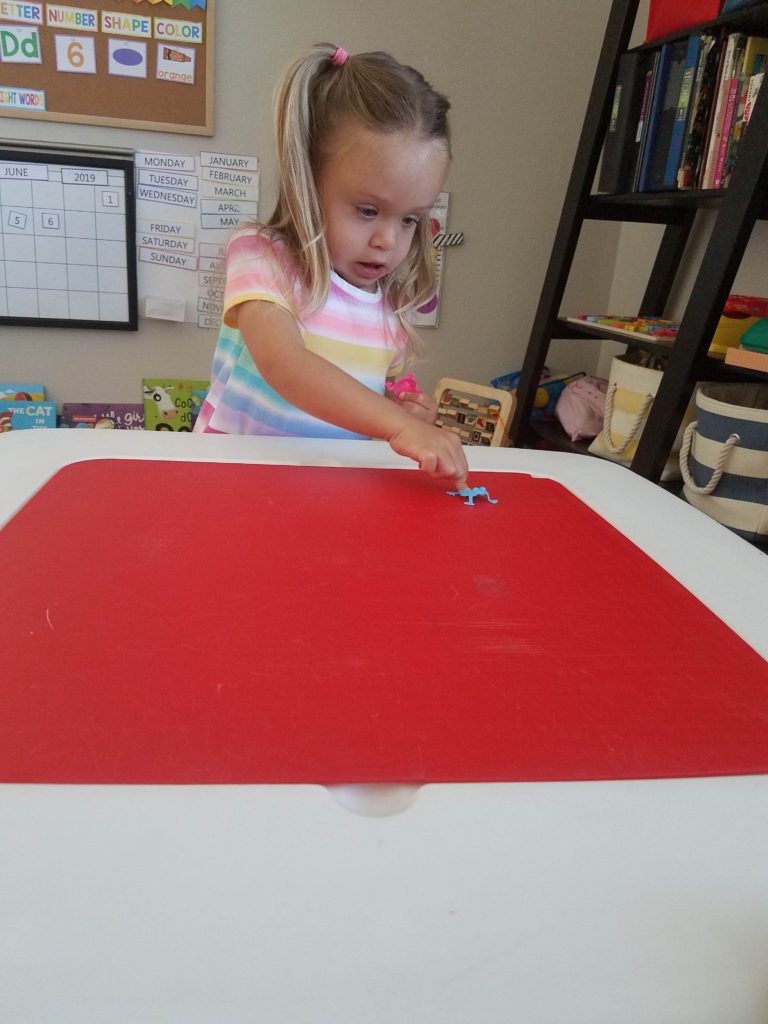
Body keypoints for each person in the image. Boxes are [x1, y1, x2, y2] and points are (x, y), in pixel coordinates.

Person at [194, 42, 468, 487]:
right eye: (366, 211)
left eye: (409, 220)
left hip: (330, 495)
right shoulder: (263, 256)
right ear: (307, 180)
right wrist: (399, 426)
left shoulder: (389, 307)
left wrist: (407, 413)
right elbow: (286, 365)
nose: (387, 240)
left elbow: (368, 408)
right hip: (233, 487)